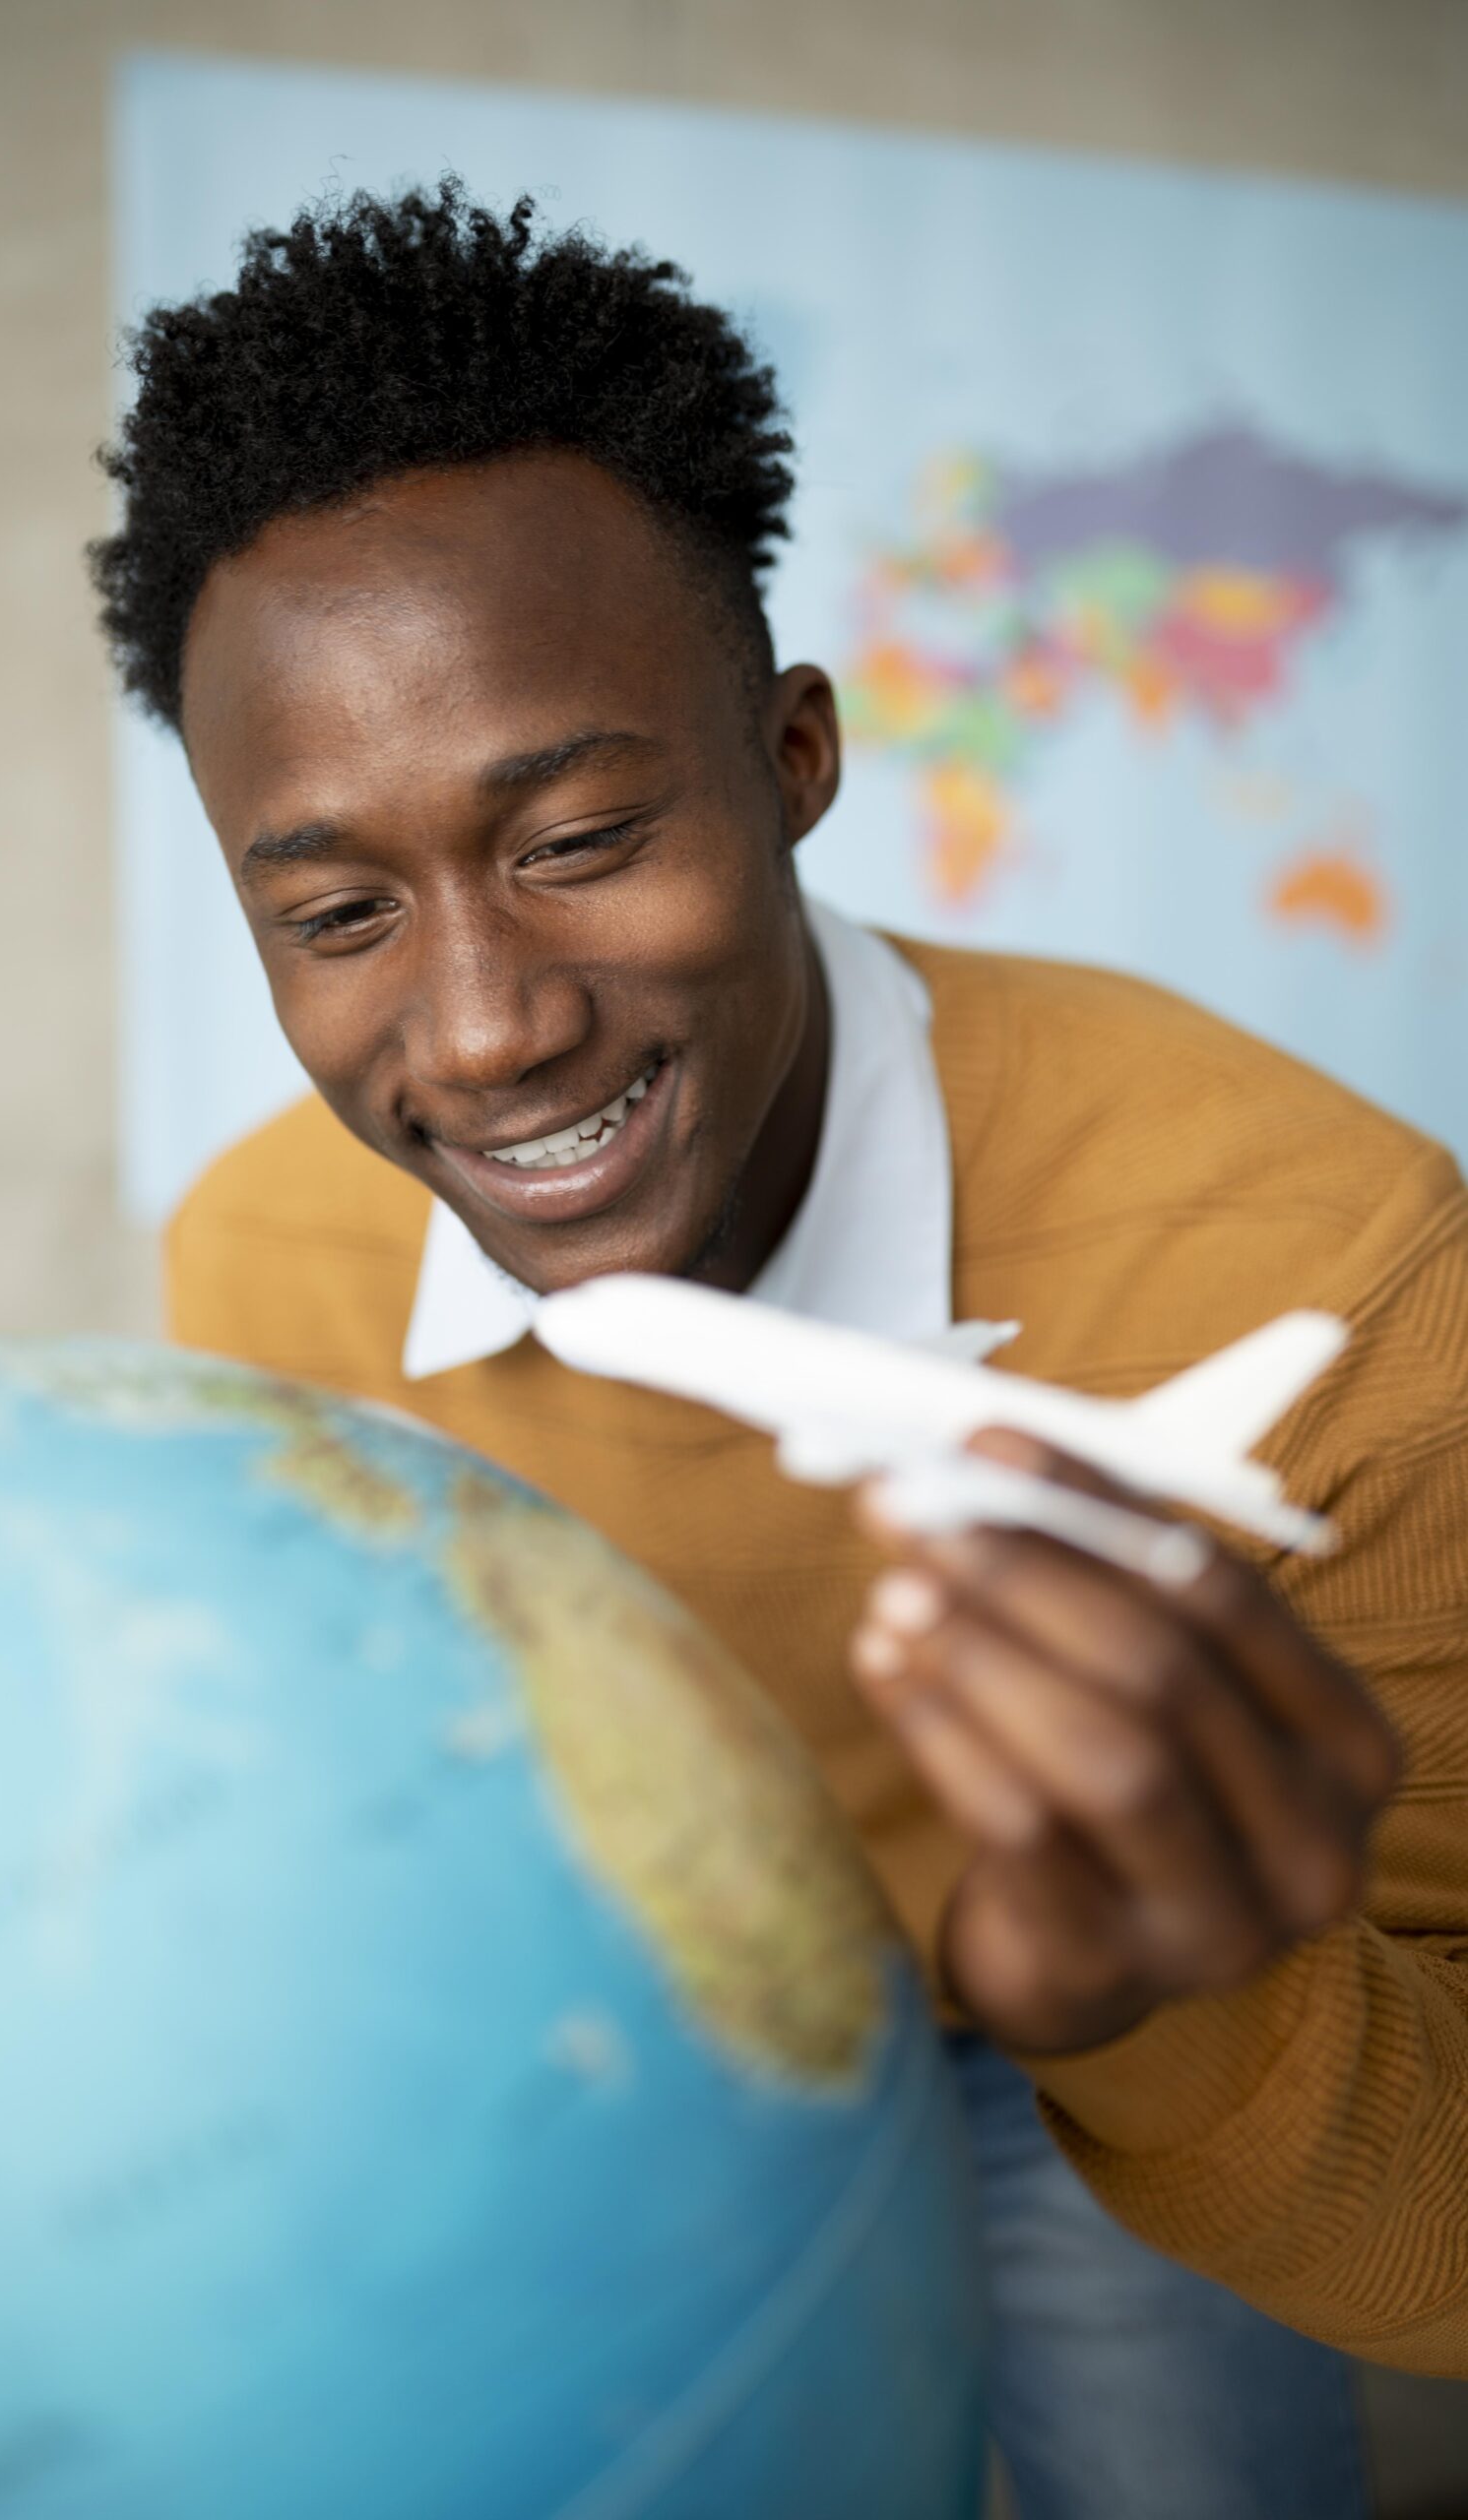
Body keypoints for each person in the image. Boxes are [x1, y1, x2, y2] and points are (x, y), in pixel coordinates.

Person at [90, 183, 1468, 2516]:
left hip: (1092, 2069)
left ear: (797, 754)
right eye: (335, 910)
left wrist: (1150, 1995)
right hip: (621, 2049)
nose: (492, 1026)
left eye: (588, 832)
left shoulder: (1326, 1265)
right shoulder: (260, 1261)